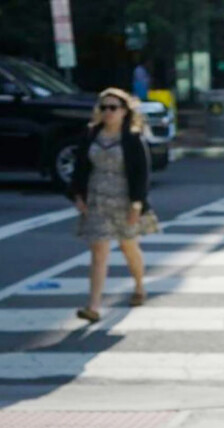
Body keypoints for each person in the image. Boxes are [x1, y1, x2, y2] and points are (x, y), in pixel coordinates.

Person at [69, 87, 159, 323]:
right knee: (99, 252)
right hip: (96, 199)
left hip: (125, 200)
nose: (108, 112)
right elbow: (80, 167)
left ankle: (139, 286)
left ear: (124, 111)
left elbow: (142, 173)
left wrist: (137, 204)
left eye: (113, 107)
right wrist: (78, 195)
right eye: (104, 107)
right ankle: (94, 306)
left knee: (129, 247)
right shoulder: (91, 135)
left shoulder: (132, 137)